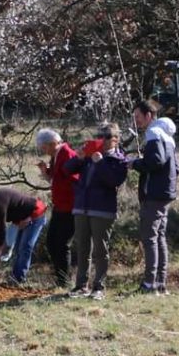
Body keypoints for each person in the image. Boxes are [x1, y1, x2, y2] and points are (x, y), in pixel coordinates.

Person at [62, 122, 129, 300]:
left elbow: (114, 181)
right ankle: (80, 286)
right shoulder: (88, 157)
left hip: (102, 210)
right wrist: (80, 157)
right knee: (82, 248)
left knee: (101, 250)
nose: (101, 140)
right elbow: (67, 169)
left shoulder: (119, 159)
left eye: (105, 137)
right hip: (82, 207)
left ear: (115, 139)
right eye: (98, 136)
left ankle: (99, 287)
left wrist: (99, 163)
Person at [129, 101, 179, 295]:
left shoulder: (153, 134)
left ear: (149, 115)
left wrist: (135, 164)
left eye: (138, 116)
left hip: (153, 195)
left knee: (150, 238)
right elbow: (176, 168)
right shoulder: (168, 137)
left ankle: (149, 284)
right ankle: (160, 283)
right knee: (159, 238)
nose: (136, 120)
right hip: (166, 194)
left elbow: (155, 161)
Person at [35, 128, 79, 287]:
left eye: (44, 147)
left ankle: (64, 281)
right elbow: (54, 180)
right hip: (60, 206)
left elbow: (74, 180)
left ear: (52, 143)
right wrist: (45, 171)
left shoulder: (67, 154)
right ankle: (61, 278)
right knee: (52, 242)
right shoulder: (56, 156)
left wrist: (56, 181)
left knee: (61, 244)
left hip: (70, 207)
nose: (44, 151)